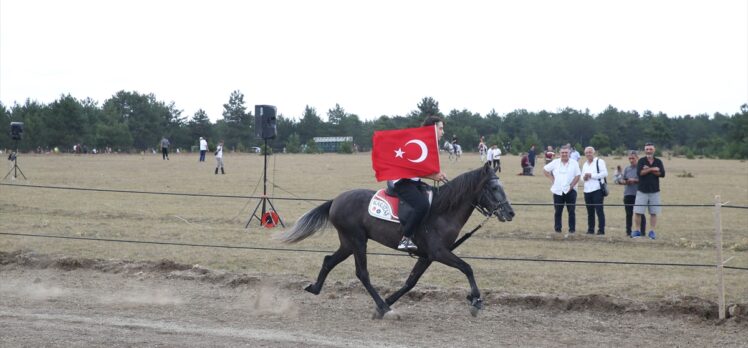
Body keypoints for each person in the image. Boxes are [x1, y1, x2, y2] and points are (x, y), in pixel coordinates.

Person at [393, 115, 448, 251]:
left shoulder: (428, 143)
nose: (443, 132)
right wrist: (433, 176)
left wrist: (437, 174)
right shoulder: (417, 142)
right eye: (440, 128)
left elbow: (423, 167)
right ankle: (405, 239)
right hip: (402, 181)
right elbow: (411, 169)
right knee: (422, 205)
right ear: (432, 129)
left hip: (414, 181)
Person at [544, 145, 581, 235]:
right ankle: (557, 229)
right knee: (558, 211)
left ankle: (572, 230)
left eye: (566, 152)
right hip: (558, 191)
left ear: (569, 153)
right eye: (562, 152)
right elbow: (545, 170)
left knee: (571, 211)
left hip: (571, 191)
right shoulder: (555, 162)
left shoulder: (574, 163)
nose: (564, 154)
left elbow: (578, 176)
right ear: (559, 153)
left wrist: (571, 187)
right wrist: (553, 180)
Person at [633, 143, 665, 239]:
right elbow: (640, 173)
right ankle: (637, 231)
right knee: (638, 212)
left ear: (654, 150)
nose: (649, 151)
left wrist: (648, 169)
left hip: (655, 191)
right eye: (647, 149)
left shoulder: (658, 161)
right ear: (644, 150)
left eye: (650, 149)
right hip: (642, 190)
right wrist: (653, 169)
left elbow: (662, 174)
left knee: (653, 212)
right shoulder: (641, 161)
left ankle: (652, 231)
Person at [614, 151, 646, 237]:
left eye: (633, 158)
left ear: (637, 158)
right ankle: (628, 232)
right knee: (629, 214)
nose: (631, 160)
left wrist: (634, 180)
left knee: (640, 213)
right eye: (630, 158)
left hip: (639, 194)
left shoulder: (642, 169)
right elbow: (622, 180)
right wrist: (623, 181)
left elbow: (644, 180)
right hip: (628, 194)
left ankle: (642, 232)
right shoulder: (627, 169)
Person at [581, 146, 607, 235]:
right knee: (590, 211)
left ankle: (601, 230)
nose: (588, 154)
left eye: (590, 152)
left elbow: (604, 173)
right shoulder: (585, 164)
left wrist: (591, 175)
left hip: (597, 189)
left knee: (599, 210)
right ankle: (590, 229)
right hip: (587, 190)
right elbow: (582, 177)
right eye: (586, 152)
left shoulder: (599, 162)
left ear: (594, 153)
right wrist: (584, 178)